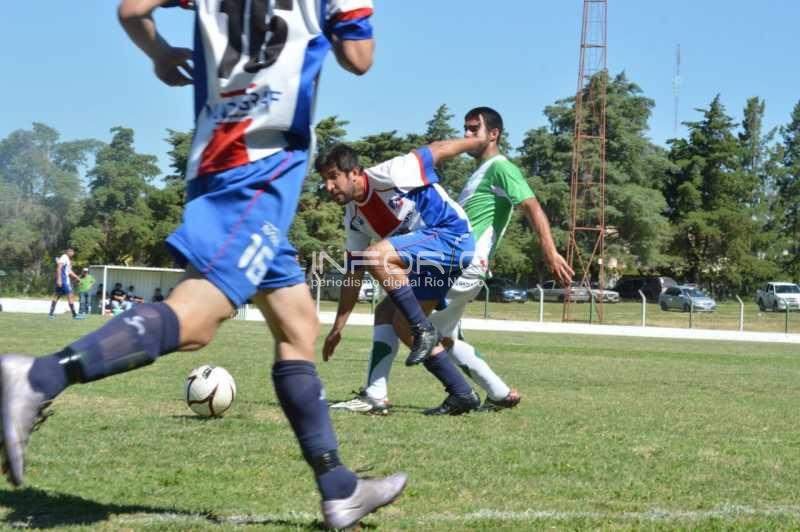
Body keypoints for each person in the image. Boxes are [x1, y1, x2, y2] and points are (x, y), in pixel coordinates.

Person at [0, 1, 405, 529]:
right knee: (196, 319)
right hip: (258, 171)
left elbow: (132, 10)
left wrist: (160, 53)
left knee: (298, 326)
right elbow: (359, 57)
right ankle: (39, 376)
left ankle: (339, 488)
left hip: (220, 157)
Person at [332, 107, 574, 415]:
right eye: (465, 129)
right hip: (462, 261)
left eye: (474, 129)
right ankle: (498, 392)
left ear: (494, 135)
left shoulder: (501, 167)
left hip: (464, 262)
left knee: (404, 324)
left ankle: (393, 394)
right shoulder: (480, 172)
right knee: (433, 332)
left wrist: (550, 251)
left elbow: (532, 206)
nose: (467, 135)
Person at [316, 123, 494, 416]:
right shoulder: (354, 217)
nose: (328, 186)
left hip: (452, 237)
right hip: (429, 262)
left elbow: (438, 149)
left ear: (355, 172)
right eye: (324, 179)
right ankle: (460, 393)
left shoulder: (392, 172)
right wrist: (338, 327)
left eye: (333, 177)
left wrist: (477, 142)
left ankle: (424, 330)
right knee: (391, 318)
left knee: (376, 256)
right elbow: (353, 275)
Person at [47, 248, 86, 321]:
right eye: (70, 251)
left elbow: (69, 271)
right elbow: (59, 268)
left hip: (63, 281)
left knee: (57, 296)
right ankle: (74, 315)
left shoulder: (67, 259)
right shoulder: (64, 257)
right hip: (64, 281)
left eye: (72, 252)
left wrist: (77, 278)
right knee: (70, 296)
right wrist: (59, 279)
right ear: (67, 252)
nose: (71, 253)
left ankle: (50, 314)